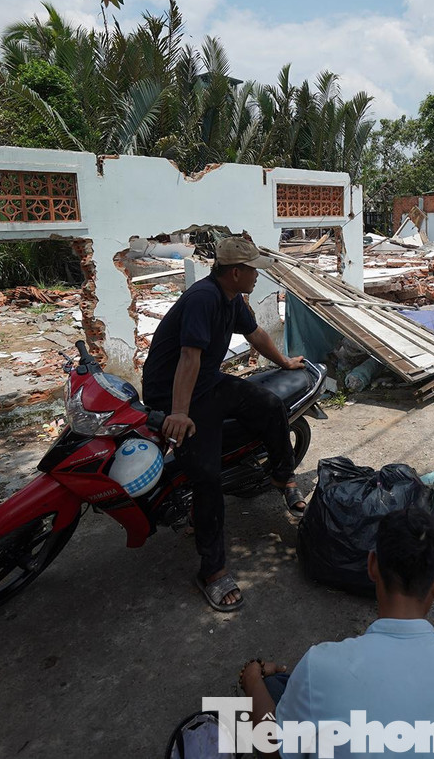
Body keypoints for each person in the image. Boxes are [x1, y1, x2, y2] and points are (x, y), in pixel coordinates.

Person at [140, 236, 308, 612]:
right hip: (172, 393)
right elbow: (188, 356)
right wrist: (179, 413)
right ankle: (212, 571)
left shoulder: (233, 299)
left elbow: (256, 334)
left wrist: (282, 362)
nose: (255, 277)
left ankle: (283, 475)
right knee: (206, 476)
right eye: (252, 271)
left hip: (206, 381)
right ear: (235, 272)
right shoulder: (204, 298)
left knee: (269, 403)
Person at [240, 507, 434, 759]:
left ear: (371, 565)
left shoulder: (320, 666)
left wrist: (252, 678)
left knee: (273, 687)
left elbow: (272, 750)